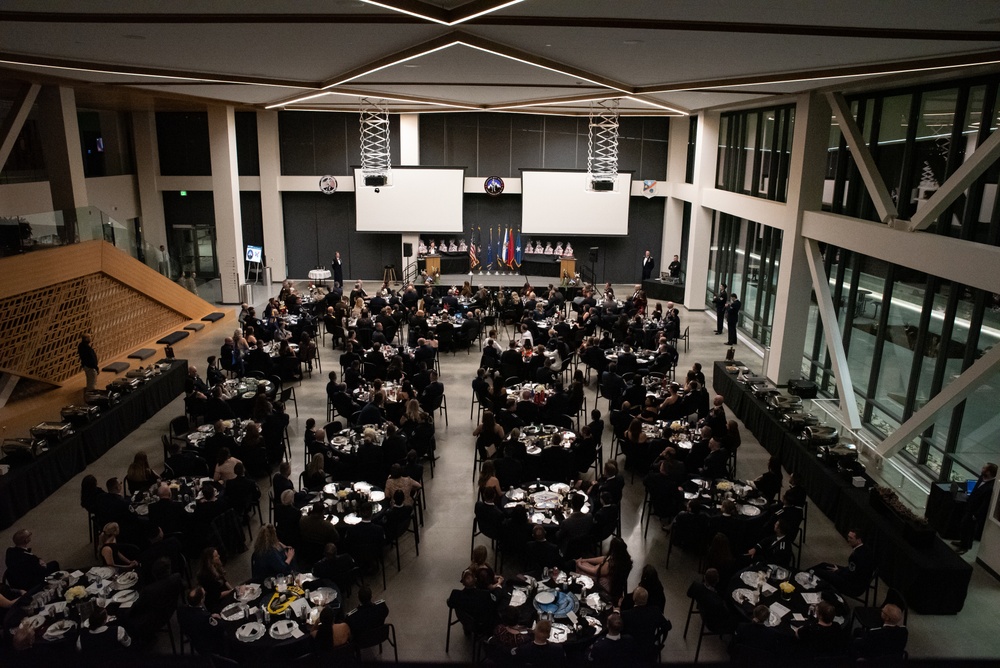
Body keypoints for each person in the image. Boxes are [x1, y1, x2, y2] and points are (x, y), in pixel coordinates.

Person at [810, 528, 874, 597]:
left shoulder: (856, 556)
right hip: (856, 579)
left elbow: (851, 576)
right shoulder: (865, 549)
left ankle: (805, 577)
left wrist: (838, 571)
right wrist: (841, 570)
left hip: (852, 586)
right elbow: (854, 570)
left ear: (858, 540)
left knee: (819, 571)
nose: (848, 539)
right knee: (824, 565)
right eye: (848, 537)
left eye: (851, 538)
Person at [953, 462, 997, 554]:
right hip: (970, 506)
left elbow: (985, 504)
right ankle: (963, 542)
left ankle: (964, 547)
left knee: (968, 528)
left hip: (975, 512)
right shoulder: (982, 478)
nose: (982, 469)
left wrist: (976, 514)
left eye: (984, 468)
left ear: (989, 472)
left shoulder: (990, 487)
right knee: (964, 526)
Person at [619, 586, 670, 661]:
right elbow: (667, 626)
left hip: (630, 648)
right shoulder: (655, 611)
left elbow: (620, 631)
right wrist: (656, 637)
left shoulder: (625, 615)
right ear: (646, 599)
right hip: (648, 647)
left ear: (634, 599)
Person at [575, 536, 633, 601]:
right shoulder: (624, 559)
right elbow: (604, 558)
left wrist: (580, 565)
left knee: (581, 568)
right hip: (616, 583)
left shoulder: (611, 565)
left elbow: (595, 571)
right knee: (585, 563)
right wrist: (586, 560)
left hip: (607, 586)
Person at [196, 547, 234, 613]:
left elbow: (224, 581)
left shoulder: (216, 566)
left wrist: (233, 590)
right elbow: (217, 595)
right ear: (210, 560)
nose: (219, 556)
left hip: (223, 593)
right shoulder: (206, 576)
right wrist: (232, 591)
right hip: (216, 603)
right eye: (216, 556)